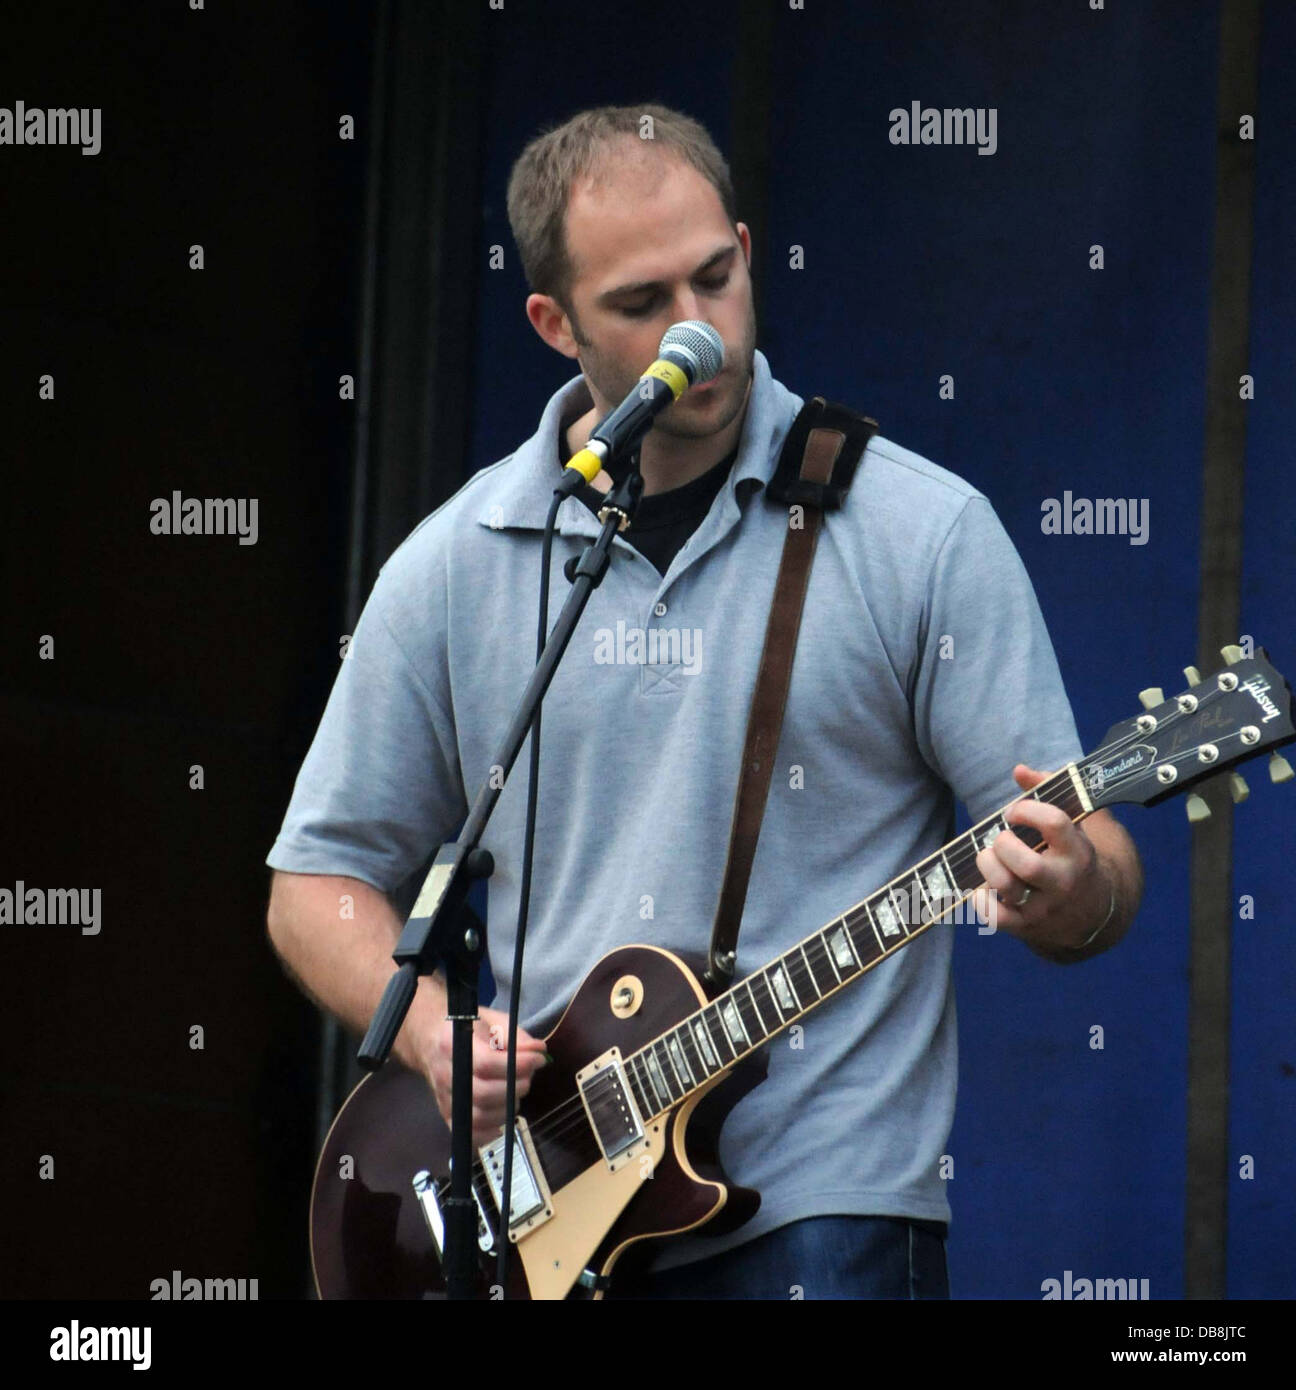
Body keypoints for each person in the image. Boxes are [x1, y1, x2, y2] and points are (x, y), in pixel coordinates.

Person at [266, 103, 1143, 1299]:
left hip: (828, 1201)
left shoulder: (921, 531)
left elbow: (1090, 860)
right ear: (552, 321)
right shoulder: (457, 561)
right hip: (549, 1214)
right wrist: (427, 1030)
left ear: (741, 246)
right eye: (640, 304)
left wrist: (1069, 890)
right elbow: (314, 884)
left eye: (717, 277)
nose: (700, 329)